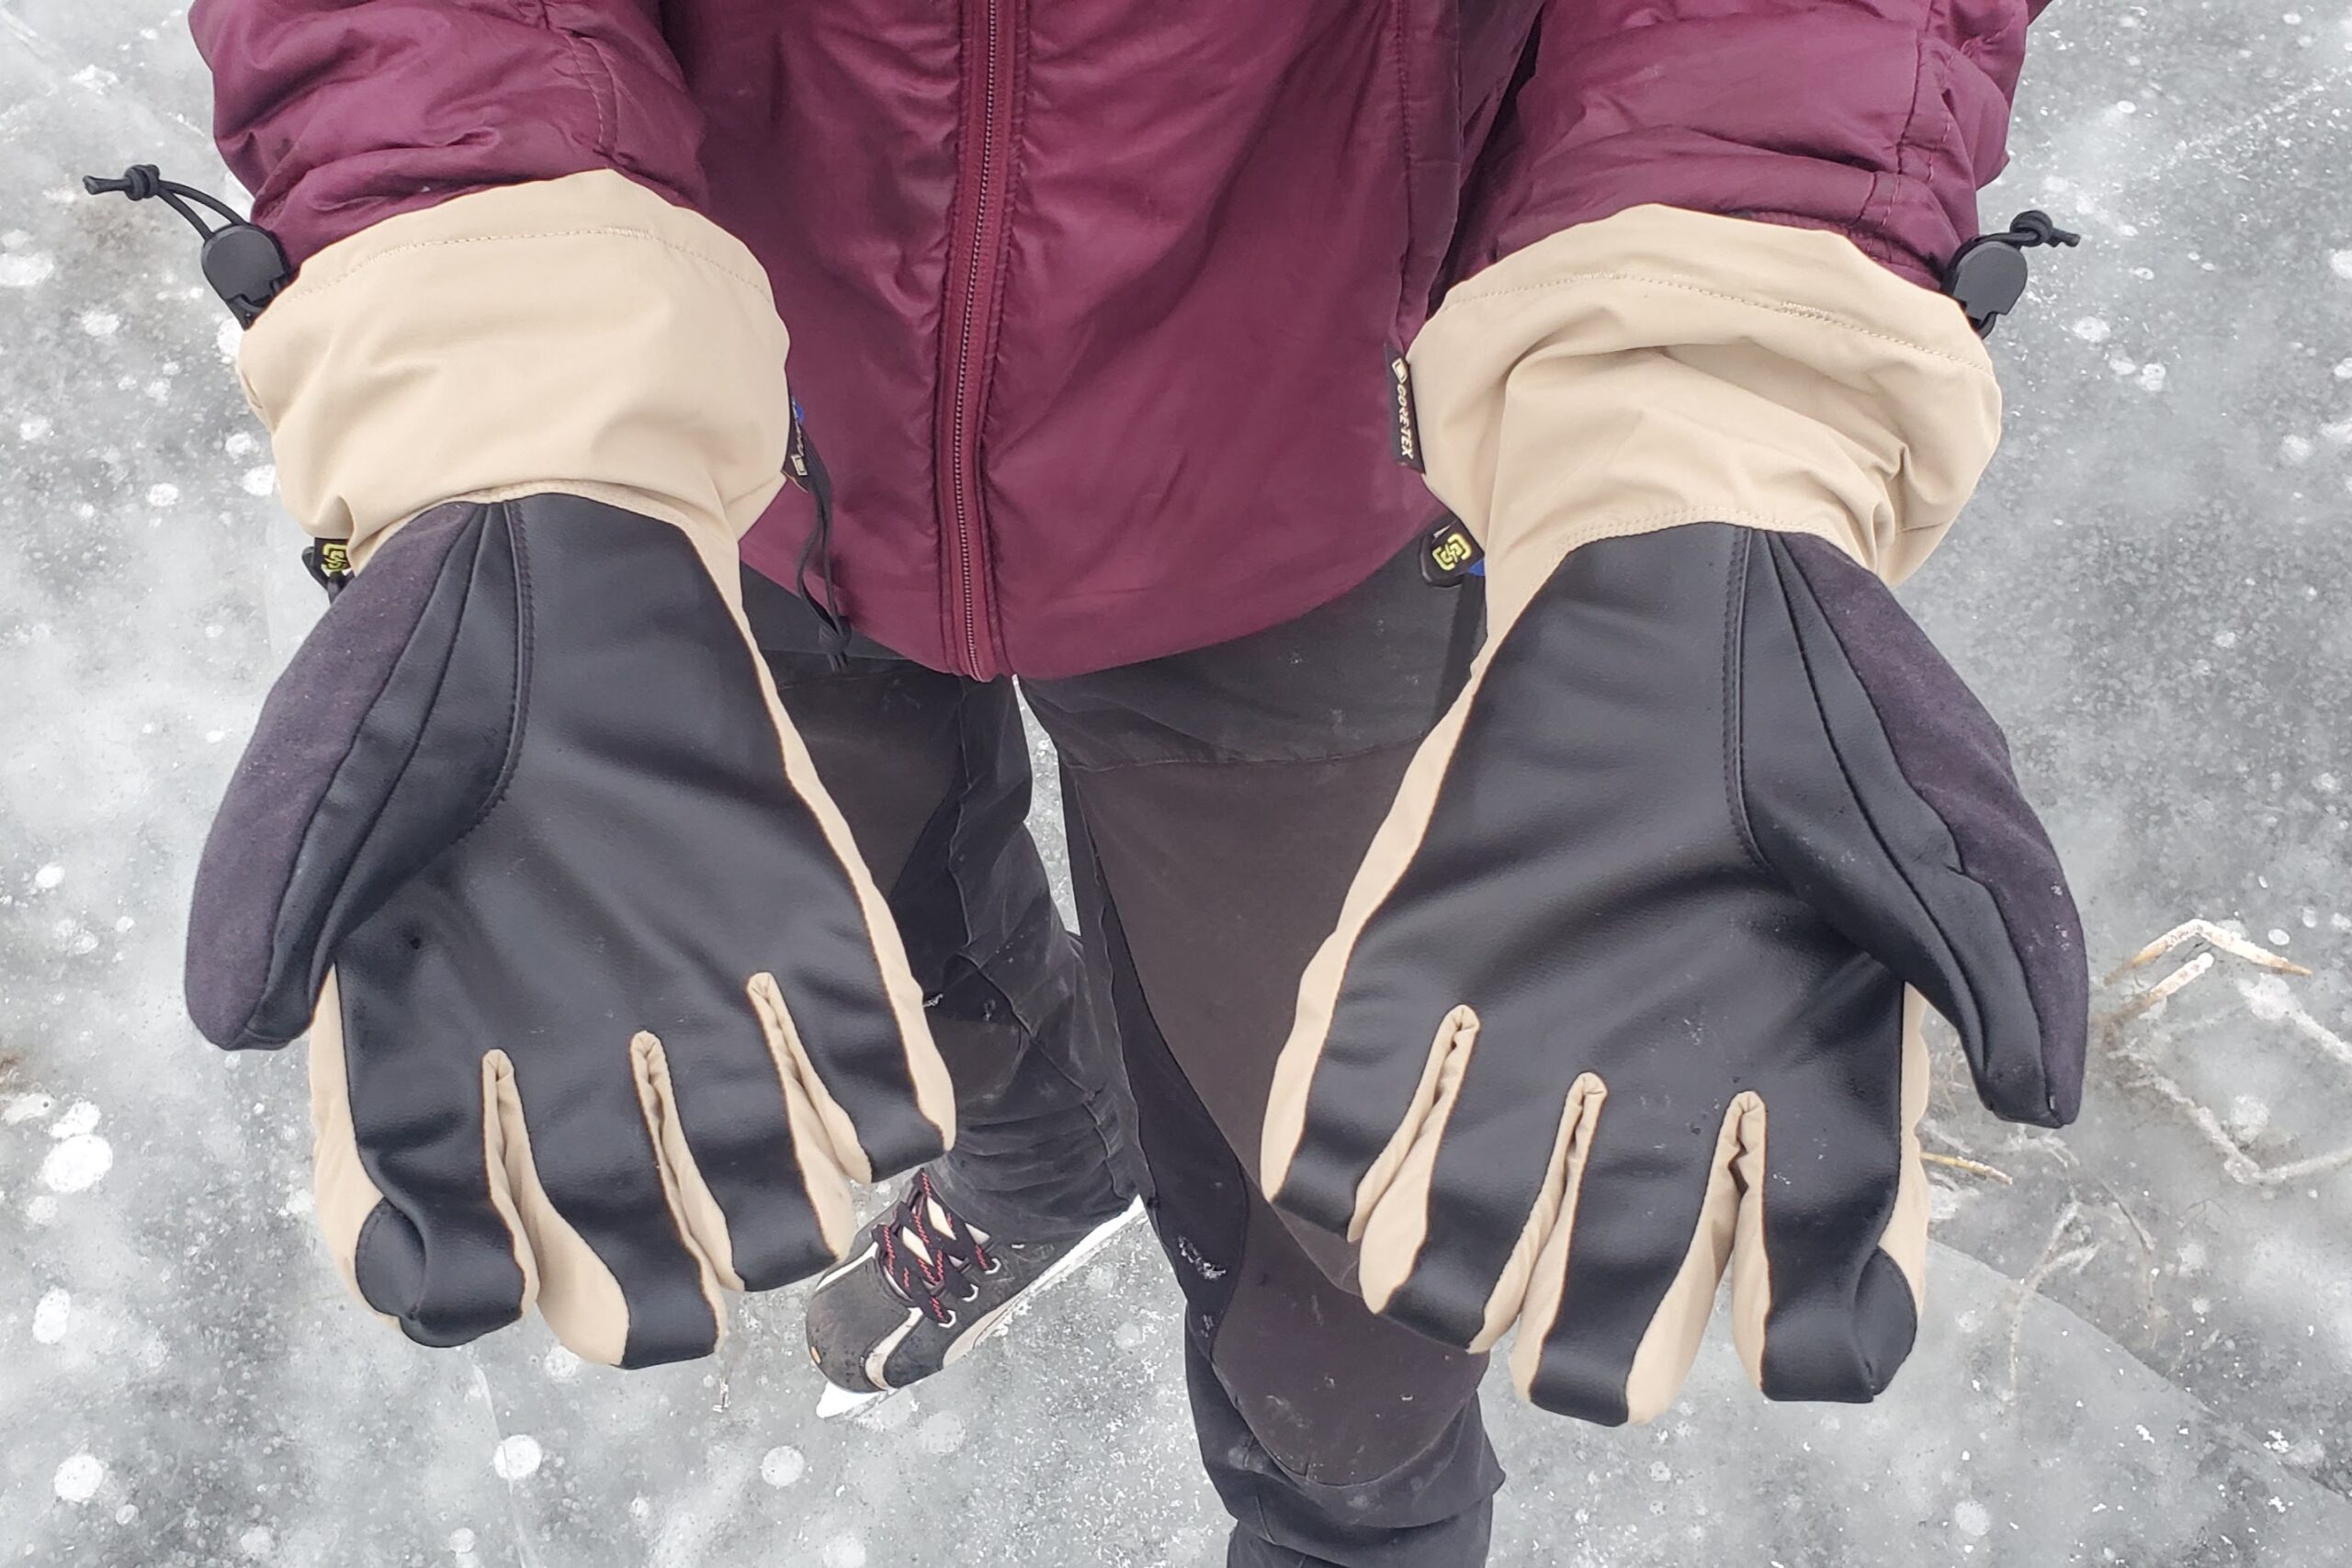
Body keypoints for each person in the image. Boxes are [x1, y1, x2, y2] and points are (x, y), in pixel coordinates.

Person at [175, 3, 2088, 1563]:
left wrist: (1708, 424)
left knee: (1355, 1229)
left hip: (1300, 477)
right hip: (725, 450)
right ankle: (1034, 1156)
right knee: (878, 965)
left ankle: (1352, 1533)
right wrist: (506, 396)